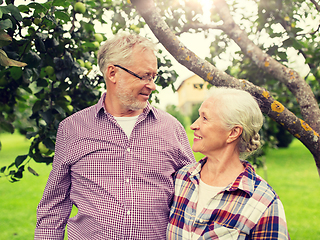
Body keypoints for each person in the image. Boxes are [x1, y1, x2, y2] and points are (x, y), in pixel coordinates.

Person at [34, 32, 195, 239]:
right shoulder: (72, 129)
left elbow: (193, 197)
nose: (152, 85)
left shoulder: (171, 128)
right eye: (144, 76)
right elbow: (54, 206)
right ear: (112, 73)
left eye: (153, 77)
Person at [167, 87, 290, 240]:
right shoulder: (180, 179)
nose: (193, 125)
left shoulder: (264, 203)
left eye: (204, 118)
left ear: (233, 133)